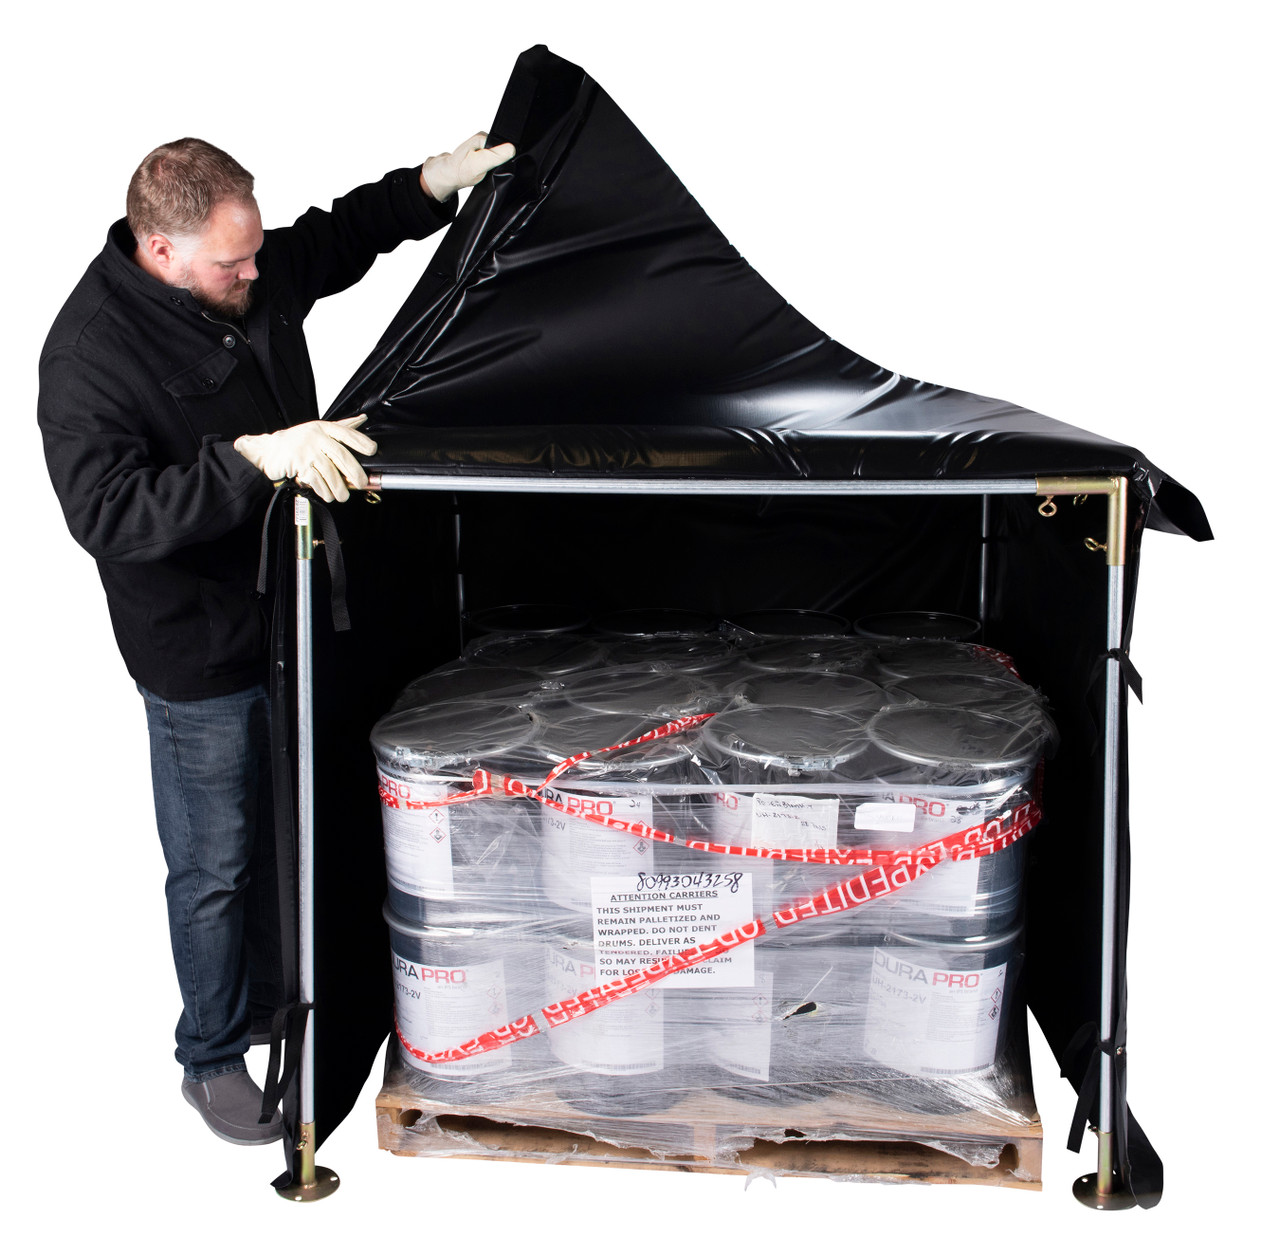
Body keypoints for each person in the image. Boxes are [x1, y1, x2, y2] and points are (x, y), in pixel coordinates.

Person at [37, 132, 514, 1146]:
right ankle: (209, 1050)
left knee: (292, 829)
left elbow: (333, 242)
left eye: (254, 253)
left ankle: (282, 1001)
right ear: (159, 251)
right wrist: (256, 455)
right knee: (214, 862)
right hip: (197, 652)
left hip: (291, 617)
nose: (256, 274)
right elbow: (109, 513)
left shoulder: (243, 279)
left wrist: (428, 187)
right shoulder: (89, 355)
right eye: (233, 262)